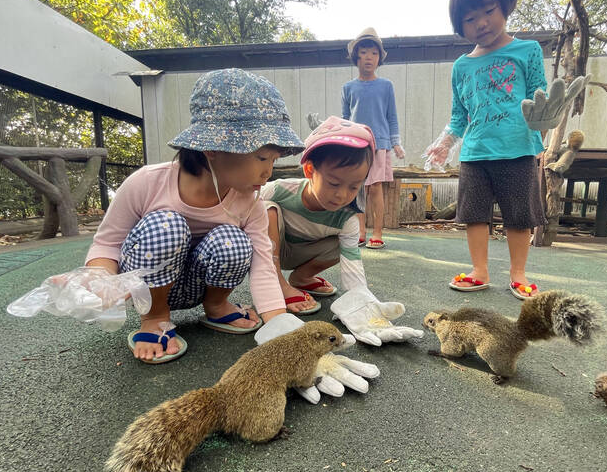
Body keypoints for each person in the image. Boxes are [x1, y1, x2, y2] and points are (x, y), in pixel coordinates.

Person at [84, 68, 302, 363]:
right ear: (213, 148)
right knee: (167, 225)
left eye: (274, 160)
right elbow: (107, 244)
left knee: (233, 240)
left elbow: (263, 264)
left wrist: (280, 327)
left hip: (200, 283)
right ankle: (156, 318)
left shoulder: (251, 203)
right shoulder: (148, 182)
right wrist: (99, 279)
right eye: (261, 157)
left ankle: (217, 306)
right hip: (150, 289)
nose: (268, 171)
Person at [426, 0, 549, 300]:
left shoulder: (527, 51)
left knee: (519, 215)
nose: (481, 23)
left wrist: (545, 122)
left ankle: (518, 273)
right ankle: (479, 270)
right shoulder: (461, 67)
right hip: (476, 152)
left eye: (488, 11)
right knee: (475, 214)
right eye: (470, 18)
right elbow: (459, 115)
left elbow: (541, 97)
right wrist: (445, 142)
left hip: (518, 149)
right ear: (459, 24)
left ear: (505, 6)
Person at [261, 116, 374, 314]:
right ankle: (277, 283)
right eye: (334, 183)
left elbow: (352, 267)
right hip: (269, 252)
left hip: (303, 253)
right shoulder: (278, 190)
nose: (342, 195)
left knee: (346, 242)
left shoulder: (346, 218)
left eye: (354, 187)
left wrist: (362, 304)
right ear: (310, 170)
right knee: (266, 208)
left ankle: (301, 278)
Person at [341, 27, 405, 249]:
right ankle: (360, 231)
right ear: (356, 56)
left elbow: (391, 117)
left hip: (380, 144)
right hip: (356, 145)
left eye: (374, 53)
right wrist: (342, 141)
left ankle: (377, 232)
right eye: (364, 52)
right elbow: (346, 119)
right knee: (357, 188)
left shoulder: (386, 86)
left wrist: (396, 143)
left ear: (379, 58)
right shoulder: (348, 88)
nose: (369, 57)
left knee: (375, 187)